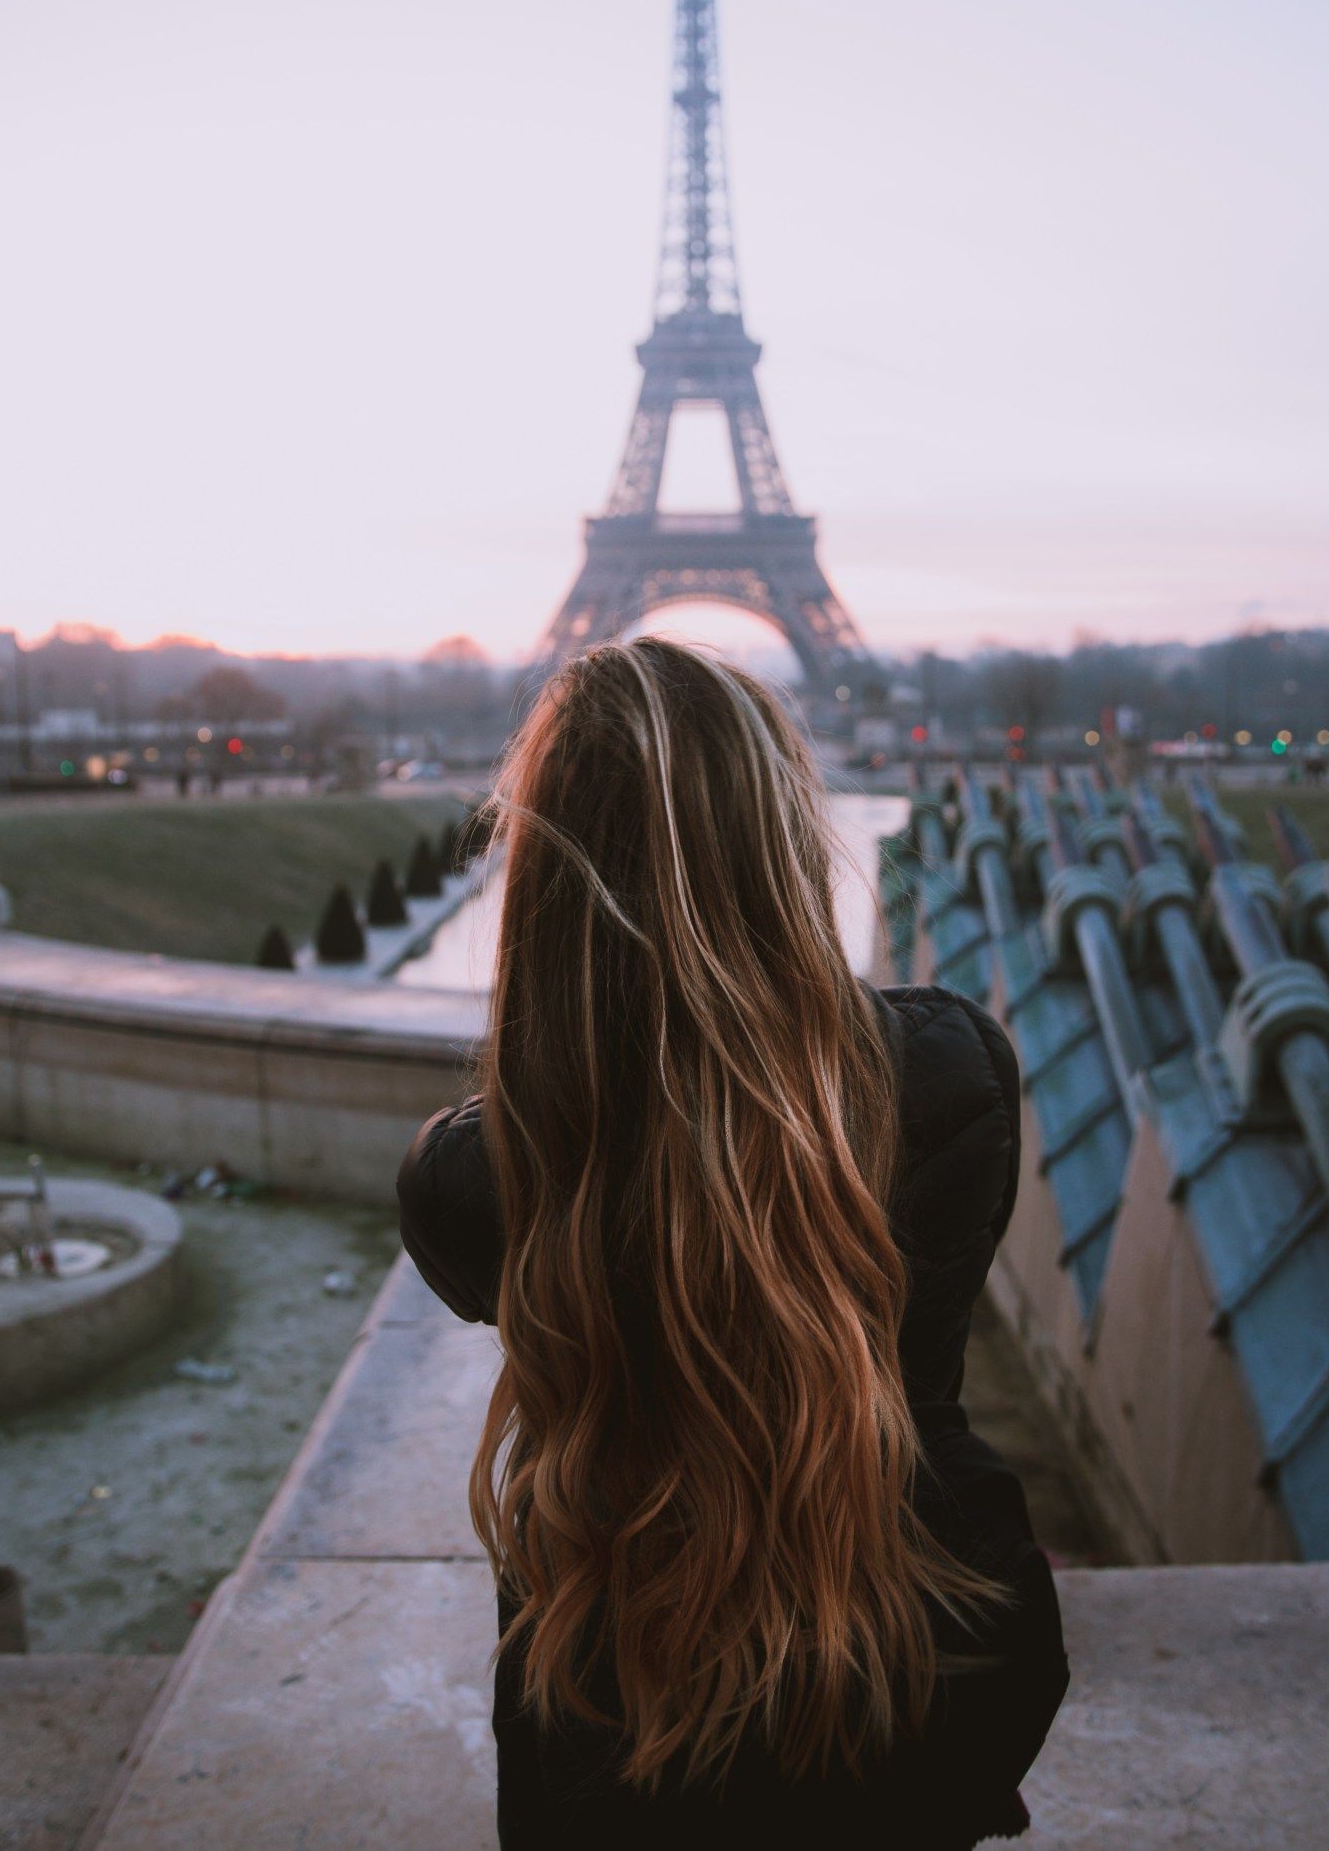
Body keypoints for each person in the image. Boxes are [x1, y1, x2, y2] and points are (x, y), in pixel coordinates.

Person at [397, 639, 1068, 1848]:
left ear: (541, 870)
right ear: (783, 836)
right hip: (913, 1645)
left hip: (616, 1690)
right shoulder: (951, 1073)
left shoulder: (467, 1177)